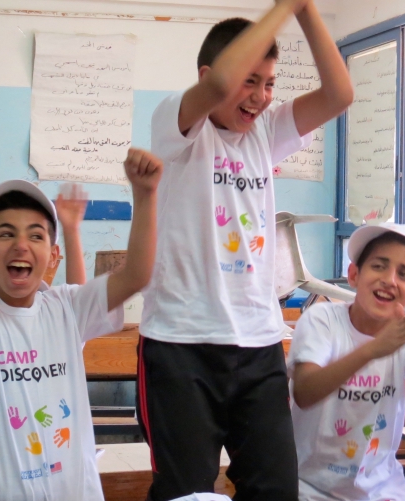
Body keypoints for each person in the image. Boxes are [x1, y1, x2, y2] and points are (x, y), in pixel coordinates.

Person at [137, 0, 354, 499]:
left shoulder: (266, 132)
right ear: (210, 73)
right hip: (181, 345)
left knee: (276, 488)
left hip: (258, 345)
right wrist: (280, 8)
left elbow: (340, 93)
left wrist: (304, 12)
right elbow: (216, 88)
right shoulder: (176, 123)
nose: (259, 96)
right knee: (187, 492)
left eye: (269, 83)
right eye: (249, 80)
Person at [0, 117, 161, 500]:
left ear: (52, 255)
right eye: (6, 233)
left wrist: (146, 195)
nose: (21, 245)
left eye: (36, 235)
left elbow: (136, 275)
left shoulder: (66, 308)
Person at [288, 224, 405, 500]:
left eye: (404, 274)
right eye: (379, 266)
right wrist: (374, 349)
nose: (389, 280)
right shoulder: (323, 321)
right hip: (309, 487)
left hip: (382, 489)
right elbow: (304, 393)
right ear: (354, 274)